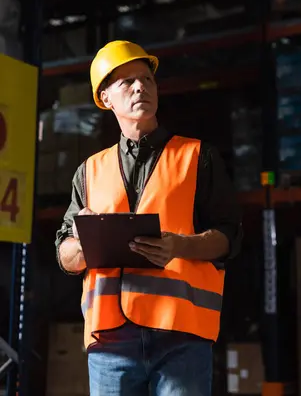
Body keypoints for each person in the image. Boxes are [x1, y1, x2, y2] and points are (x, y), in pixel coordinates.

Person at [55, 40, 242, 396]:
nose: (141, 86)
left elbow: (230, 236)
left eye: (147, 79)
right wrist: (83, 244)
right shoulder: (89, 172)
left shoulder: (197, 157)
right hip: (110, 343)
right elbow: (64, 253)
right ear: (105, 98)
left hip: (180, 338)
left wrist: (180, 245)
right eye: (127, 82)